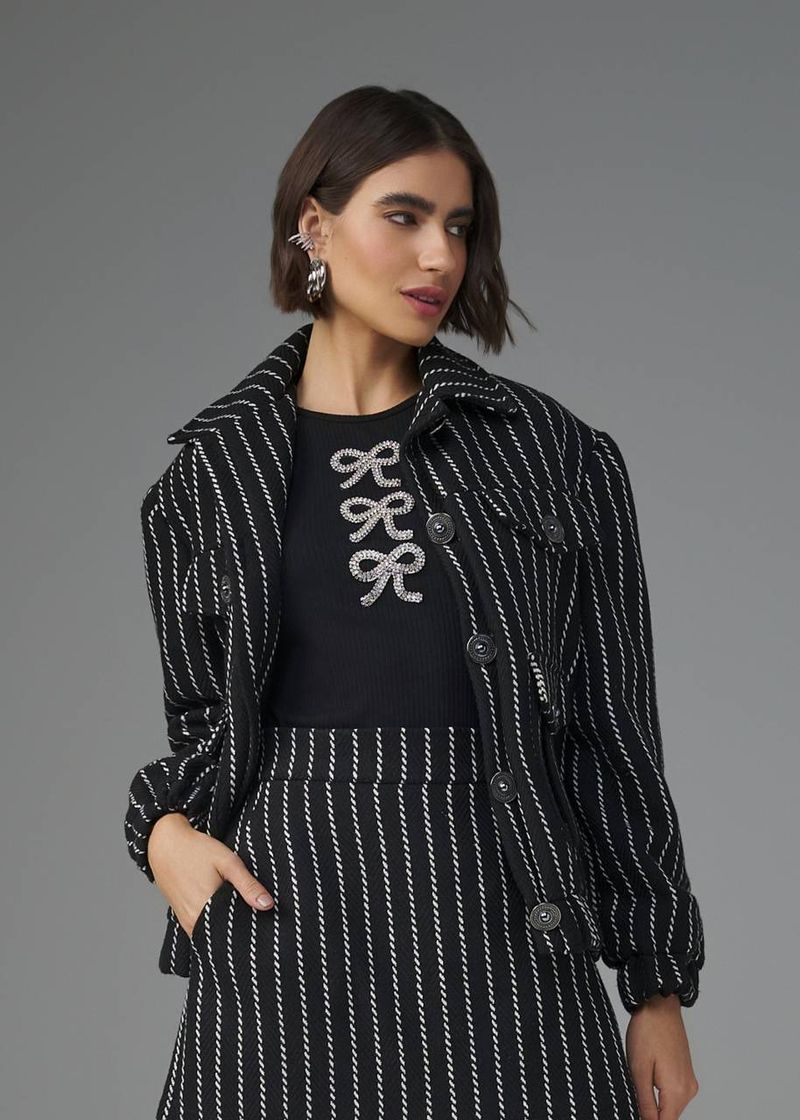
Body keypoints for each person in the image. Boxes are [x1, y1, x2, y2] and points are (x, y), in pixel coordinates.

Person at [124, 85, 704, 1120]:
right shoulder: (206, 477)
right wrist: (161, 830)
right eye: (404, 216)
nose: (440, 255)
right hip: (284, 927)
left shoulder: (553, 455)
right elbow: (204, 726)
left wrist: (655, 987)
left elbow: (611, 728)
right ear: (314, 225)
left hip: (503, 914)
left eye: (459, 226)